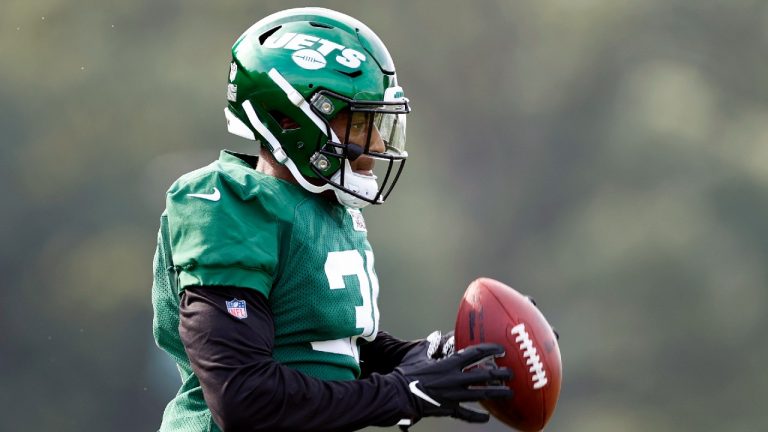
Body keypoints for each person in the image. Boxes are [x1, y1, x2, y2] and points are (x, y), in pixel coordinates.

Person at [151, 7, 513, 432]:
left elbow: (325, 344)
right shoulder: (228, 202)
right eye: (360, 122)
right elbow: (244, 397)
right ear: (290, 118)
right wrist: (402, 392)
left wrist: (427, 357)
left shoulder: (324, 207)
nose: (376, 141)